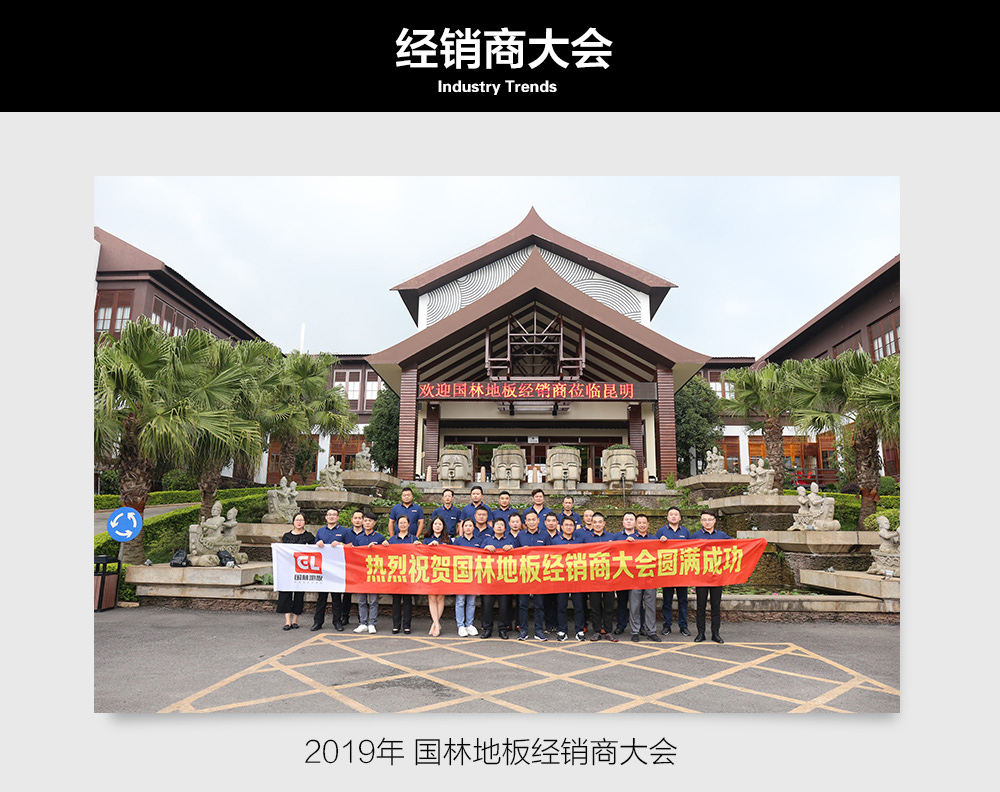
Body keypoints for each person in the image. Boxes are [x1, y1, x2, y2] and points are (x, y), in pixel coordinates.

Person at [690, 510, 732, 643]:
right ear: (701, 521)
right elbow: (684, 550)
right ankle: (700, 633)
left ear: (715, 520)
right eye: (704, 520)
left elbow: (736, 546)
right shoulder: (695, 536)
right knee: (700, 606)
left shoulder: (721, 535)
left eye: (709, 519)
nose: (707, 522)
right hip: (701, 577)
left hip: (717, 577)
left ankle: (715, 634)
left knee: (716, 606)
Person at [311, 508, 351, 631]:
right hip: (323, 570)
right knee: (321, 598)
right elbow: (313, 549)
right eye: (329, 515)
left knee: (336, 598)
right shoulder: (320, 531)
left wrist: (340, 544)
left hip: (337, 570)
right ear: (326, 517)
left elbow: (350, 546)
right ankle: (318, 622)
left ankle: (337, 622)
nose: (331, 517)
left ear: (338, 517)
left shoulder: (344, 531)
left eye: (334, 515)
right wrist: (317, 544)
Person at [549, 515, 587, 641]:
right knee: (561, 606)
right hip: (561, 578)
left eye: (571, 525)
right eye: (566, 525)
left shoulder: (580, 541)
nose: (569, 527)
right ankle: (562, 630)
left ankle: (579, 630)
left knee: (579, 606)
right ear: (561, 527)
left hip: (576, 577)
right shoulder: (555, 541)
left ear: (574, 527)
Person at [514, 510, 550, 641]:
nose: (531, 522)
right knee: (523, 604)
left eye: (533, 519)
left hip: (539, 575)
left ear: (538, 520)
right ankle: (523, 630)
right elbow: (514, 554)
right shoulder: (520, 535)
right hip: (524, 575)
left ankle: (539, 630)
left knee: (539, 605)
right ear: (525, 522)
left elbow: (551, 554)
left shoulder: (545, 535)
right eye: (528, 520)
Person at [582, 512, 617, 641]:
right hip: (593, 578)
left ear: (604, 523)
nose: (597, 524)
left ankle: (608, 631)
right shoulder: (586, 539)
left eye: (600, 522)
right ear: (591, 523)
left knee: (608, 607)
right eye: (595, 522)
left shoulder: (612, 537)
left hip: (609, 578)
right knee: (595, 607)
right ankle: (596, 631)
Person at [657, 506, 691, 636]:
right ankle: (667, 625)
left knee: (683, 600)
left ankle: (683, 626)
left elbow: (692, 549)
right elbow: (654, 550)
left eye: (676, 514)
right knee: (667, 600)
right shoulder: (661, 531)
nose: (673, 516)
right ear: (667, 517)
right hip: (667, 570)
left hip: (682, 570)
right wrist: (660, 542)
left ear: (680, 517)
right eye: (671, 514)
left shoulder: (685, 532)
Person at [352, 511, 389, 633]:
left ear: (374, 523)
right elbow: (354, 555)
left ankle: (372, 623)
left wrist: (382, 546)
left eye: (370, 521)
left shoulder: (379, 537)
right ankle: (362, 623)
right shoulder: (358, 538)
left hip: (374, 573)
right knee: (361, 600)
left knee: (373, 601)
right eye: (365, 520)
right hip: (361, 573)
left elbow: (385, 555)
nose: (367, 523)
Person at [626, 514, 661, 642]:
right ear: (635, 525)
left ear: (648, 525)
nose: (642, 525)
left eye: (644, 523)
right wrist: (626, 544)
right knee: (634, 606)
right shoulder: (630, 539)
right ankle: (635, 631)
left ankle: (651, 631)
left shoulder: (654, 539)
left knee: (651, 606)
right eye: (639, 523)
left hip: (650, 579)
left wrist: (664, 542)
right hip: (635, 579)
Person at [277, 513, 315, 631]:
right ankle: (287, 621)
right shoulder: (287, 536)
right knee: (285, 593)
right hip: (287, 569)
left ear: (305, 522)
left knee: (299, 595)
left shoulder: (309, 536)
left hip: (301, 570)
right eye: (297, 520)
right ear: (293, 522)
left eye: (301, 520)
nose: (299, 522)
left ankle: (295, 620)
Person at [479, 517, 514, 638]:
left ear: (505, 528)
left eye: (501, 525)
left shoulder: (510, 540)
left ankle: (503, 629)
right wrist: (485, 549)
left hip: (505, 579)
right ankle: (487, 629)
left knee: (504, 606)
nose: (499, 527)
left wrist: (511, 548)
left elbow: (519, 556)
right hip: (489, 579)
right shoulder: (487, 540)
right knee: (487, 606)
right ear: (493, 527)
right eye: (497, 525)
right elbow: (478, 556)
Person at [387, 515, 417, 634]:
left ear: (409, 524)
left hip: (408, 575)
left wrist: (418, 546)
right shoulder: (392, 540)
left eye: (405, 523)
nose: (403, 525)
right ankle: (396, 625)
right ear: (397, 525)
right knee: (396, 601)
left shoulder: (414, 539)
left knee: (407, 601)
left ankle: (407, 625)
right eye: (400, 523)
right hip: (395, 575)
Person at [421, 516, 450, 636]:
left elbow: (452, 554)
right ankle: (436, 624)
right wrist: (429, 546)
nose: (437, 526)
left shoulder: (447, 539)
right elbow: (422, 554)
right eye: (435, 524)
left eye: (440, 524)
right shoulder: (426, 539)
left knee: (440, 598)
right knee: (432, 598)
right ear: (432, 526)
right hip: (430, 572)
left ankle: (435, 623)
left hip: (443, 571)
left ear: (443, 526)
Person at [452, 518, 480, 636]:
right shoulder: (458, 541)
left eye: (470, 526)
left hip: (474, 575)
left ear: (474, 527)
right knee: (460, 601)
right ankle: (460, 625)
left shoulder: (479, 541)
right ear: (462, 528)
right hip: (461, 575)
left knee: (472, 601)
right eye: (466, 526)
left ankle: (469, 624)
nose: (468, 528)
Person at [611, 512, 637, 634]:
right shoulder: (616, 537)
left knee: (637, 603)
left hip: (637, 575)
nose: (628, 521)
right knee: (622, 602)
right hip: (621, 574)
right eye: (626, 519)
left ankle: (639, 626)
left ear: (635, 523)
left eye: (631, 519)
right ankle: (621, 625)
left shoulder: (641, 536)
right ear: (622, 522)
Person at [339, 508, 365, 627]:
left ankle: (362, 618)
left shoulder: (367, 532)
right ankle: (345, 616)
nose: (358, 520)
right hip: (348, 566)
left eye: (360, 518)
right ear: (352, 520)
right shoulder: (346, 533)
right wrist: (345, 545)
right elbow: (339, 546)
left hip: (363, 567)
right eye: (356, 518)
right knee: (347, 593)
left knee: (362, 592)